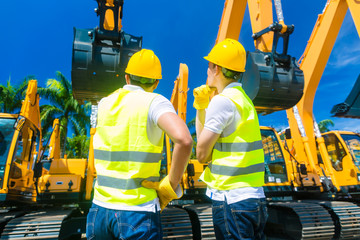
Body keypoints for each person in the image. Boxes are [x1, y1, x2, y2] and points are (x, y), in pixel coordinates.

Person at [86, 49, 193, 240]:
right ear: (156, 82)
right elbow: (184, 140)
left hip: (99, 210)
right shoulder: (154, 102)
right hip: (137, 211)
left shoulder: (104, 103)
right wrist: (170, 185)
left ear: (127, 77)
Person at [194, 38, 267, 240]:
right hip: (254, 199)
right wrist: (203, 107)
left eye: (209, 66)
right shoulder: (243, 100)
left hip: (232, 200)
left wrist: (201, 107)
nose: (207, 71)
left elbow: (201, 154)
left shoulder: (222, 101)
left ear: (216, 68)